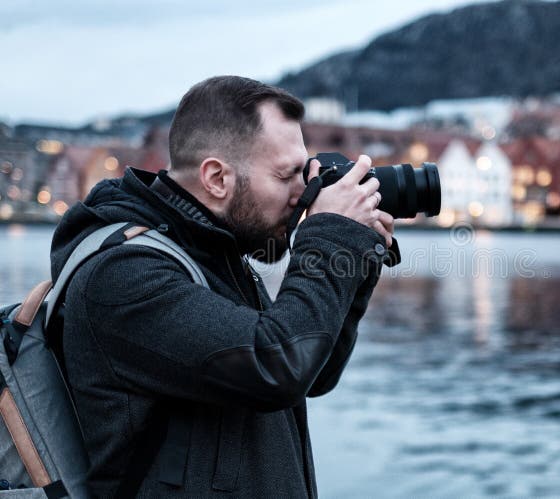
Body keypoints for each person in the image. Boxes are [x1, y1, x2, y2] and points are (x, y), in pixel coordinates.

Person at [50, 75, 395, 498]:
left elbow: (311, 371)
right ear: (216, 178)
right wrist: (330, 236)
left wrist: (354, 261)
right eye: (287, 175)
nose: (303, 193)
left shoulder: (215, 254)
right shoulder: (125, 274)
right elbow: (279, 366)